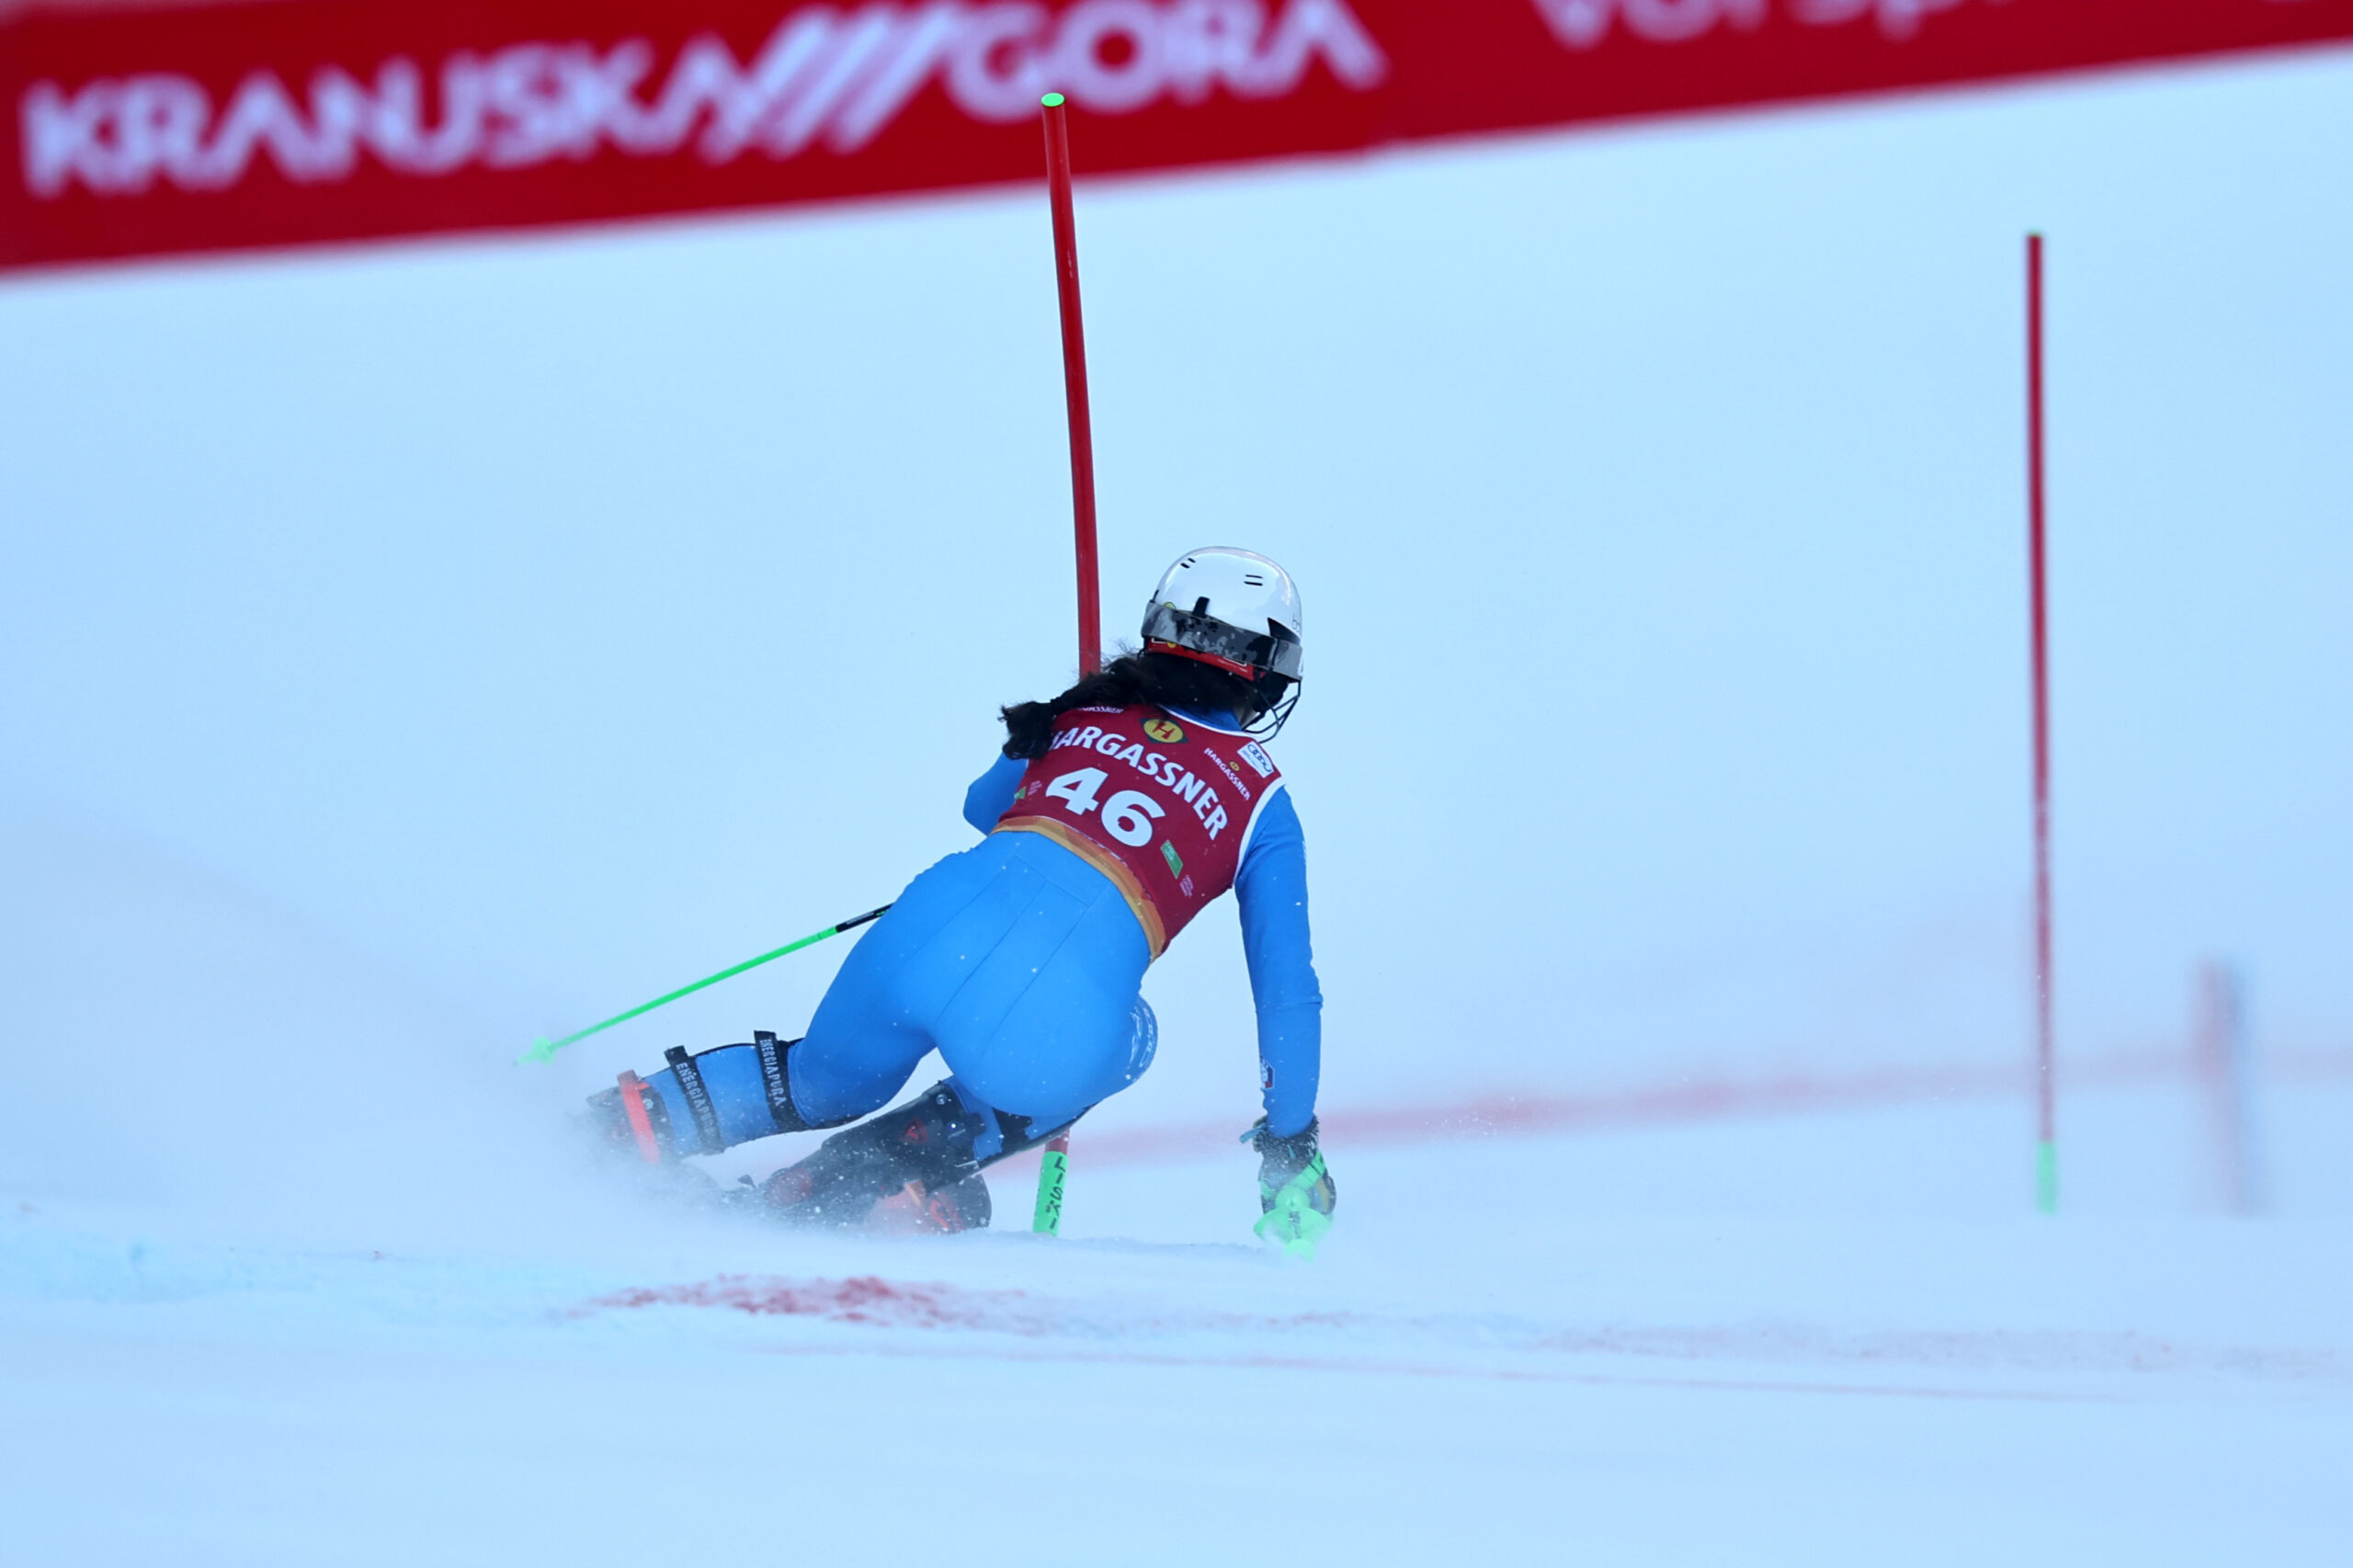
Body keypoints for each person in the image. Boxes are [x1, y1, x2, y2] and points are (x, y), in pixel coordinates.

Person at [587, 547, 1335, 1250]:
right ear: (1267, 673)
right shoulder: (1262, 799)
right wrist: (1290, 1142)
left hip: (927, 931)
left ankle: (626, 1125)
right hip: (1049, 1016)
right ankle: (866, 1175)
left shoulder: (1084, 709)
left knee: (817, 1082)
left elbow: (983, 808)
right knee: (1135, 1032)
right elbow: (1286, 990)